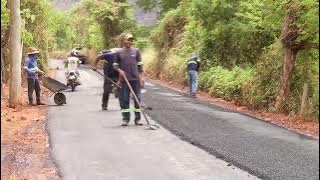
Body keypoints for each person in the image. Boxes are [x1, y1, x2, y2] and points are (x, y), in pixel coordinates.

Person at [113, 33, 144, 126]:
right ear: (123, 41)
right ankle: (126, 119)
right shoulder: (119, 52)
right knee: (124, 99)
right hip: (124, 80)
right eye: (128, 40)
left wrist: (142, 77)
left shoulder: (136, 51)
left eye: (131, 40)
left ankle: (137, 119)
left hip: (135, 80)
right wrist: (119, 70)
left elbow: (140, 65)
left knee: (137, 99)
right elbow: (115, 65)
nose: (130, 42)